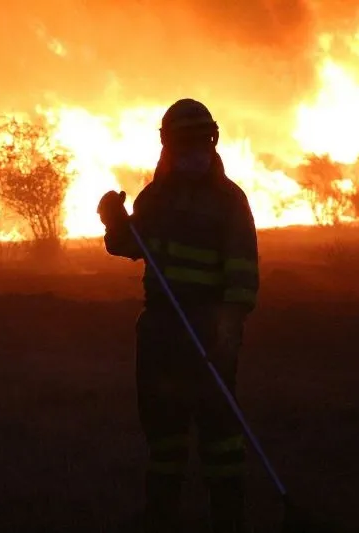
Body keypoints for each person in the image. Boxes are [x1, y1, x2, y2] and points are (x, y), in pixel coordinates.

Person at [96, 99, 259, 533]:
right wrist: (115, 221)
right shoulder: (156, 197)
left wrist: (230, 324)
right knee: (163, 428)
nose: (193, 152)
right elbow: (130, 246)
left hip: (209, 331)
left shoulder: (229, 202)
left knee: (219, 430)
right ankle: (161, 514)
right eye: (184, 143)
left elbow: (243, 271)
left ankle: (229, 518)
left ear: (213, 142)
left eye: (200, 142)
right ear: (168, 145)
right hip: (162, 329)